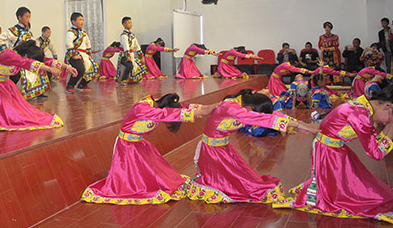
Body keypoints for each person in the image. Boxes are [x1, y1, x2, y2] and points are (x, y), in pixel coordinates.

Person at [273, 84, 393, 225]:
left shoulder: (363, 105)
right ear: (387, 107)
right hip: (328, 153)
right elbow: (376, 153)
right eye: (391, 118)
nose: (387, 122)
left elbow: (375, 143)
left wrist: (391, 124)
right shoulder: (360, 114)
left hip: (334, 149)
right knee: (365, 198)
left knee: (370, 190)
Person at [185, 89, 317, 204]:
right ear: (252, 107)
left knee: (242, 176)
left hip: (223, 147)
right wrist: (300, 126)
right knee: (229, 183)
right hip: (212, 151)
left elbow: (270, 116)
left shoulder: (242, 104)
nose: (255, 116)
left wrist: (300, 124)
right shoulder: (231, 107)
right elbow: (263, 119)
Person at [81, 93, 216, 204]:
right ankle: (117, 177)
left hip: (139, 145)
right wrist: (202, 111)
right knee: (137, 183)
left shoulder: (155, 106)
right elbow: (164, 114)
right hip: (127, 147)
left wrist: (209, 108)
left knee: (158, 175)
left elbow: (181, 108)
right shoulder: (143, 108)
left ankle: (116, 175)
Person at [0, 41, 73, 131]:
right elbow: (25, 62)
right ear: (25, 54)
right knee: (1, 116)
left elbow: (45, 60)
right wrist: (49, 69)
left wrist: (66, 66)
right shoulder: (9, 54)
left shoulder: (21, 55)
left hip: (6, 85)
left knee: (19, 112)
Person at [0, 7, 34, 85]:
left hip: (26, 58)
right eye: (26, 17)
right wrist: (7, 53)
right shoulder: (13, 30)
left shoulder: (27, 30)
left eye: (29, 17)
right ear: (20, 17)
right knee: (14, 78)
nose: (28, 19)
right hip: (16, 59)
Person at [65, 13, 99, 94]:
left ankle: (82, 84)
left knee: (96, 69)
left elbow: (88, 43)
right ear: (73, 22)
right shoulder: (70, 32)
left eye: (82, 20)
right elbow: (68, 43)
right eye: (80, 20)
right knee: (80, 69)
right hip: (74, 54)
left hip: (84, 55)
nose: (82, 22)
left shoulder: (83, 32)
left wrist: (89, 54)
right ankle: (70, 85)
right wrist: (74, 55)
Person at [116, 17, 146, 85]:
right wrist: (128, 56)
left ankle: (134, 80)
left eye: (131, 22)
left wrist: (141, 56)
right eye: (128, 23)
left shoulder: (132, 35)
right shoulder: (124, 35)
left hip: (132, 55)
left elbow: (137, 45)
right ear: (124, 24)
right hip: (124, 55)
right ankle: (123, 80)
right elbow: (126, 46)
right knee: (129, 65)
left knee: (141, 66)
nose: (130, 24)